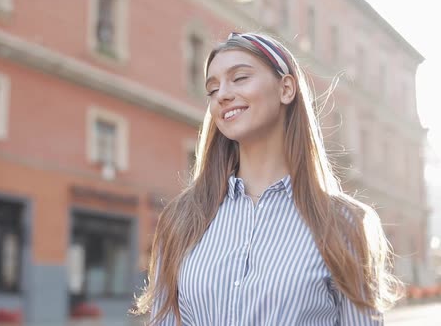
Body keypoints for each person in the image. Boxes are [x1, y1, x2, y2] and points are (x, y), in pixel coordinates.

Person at [133, 32, 402, 325]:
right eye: (212, 89)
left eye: (239, 78)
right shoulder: (181, 219)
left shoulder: (344, 223)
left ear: (286, 88)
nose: (222, 94)